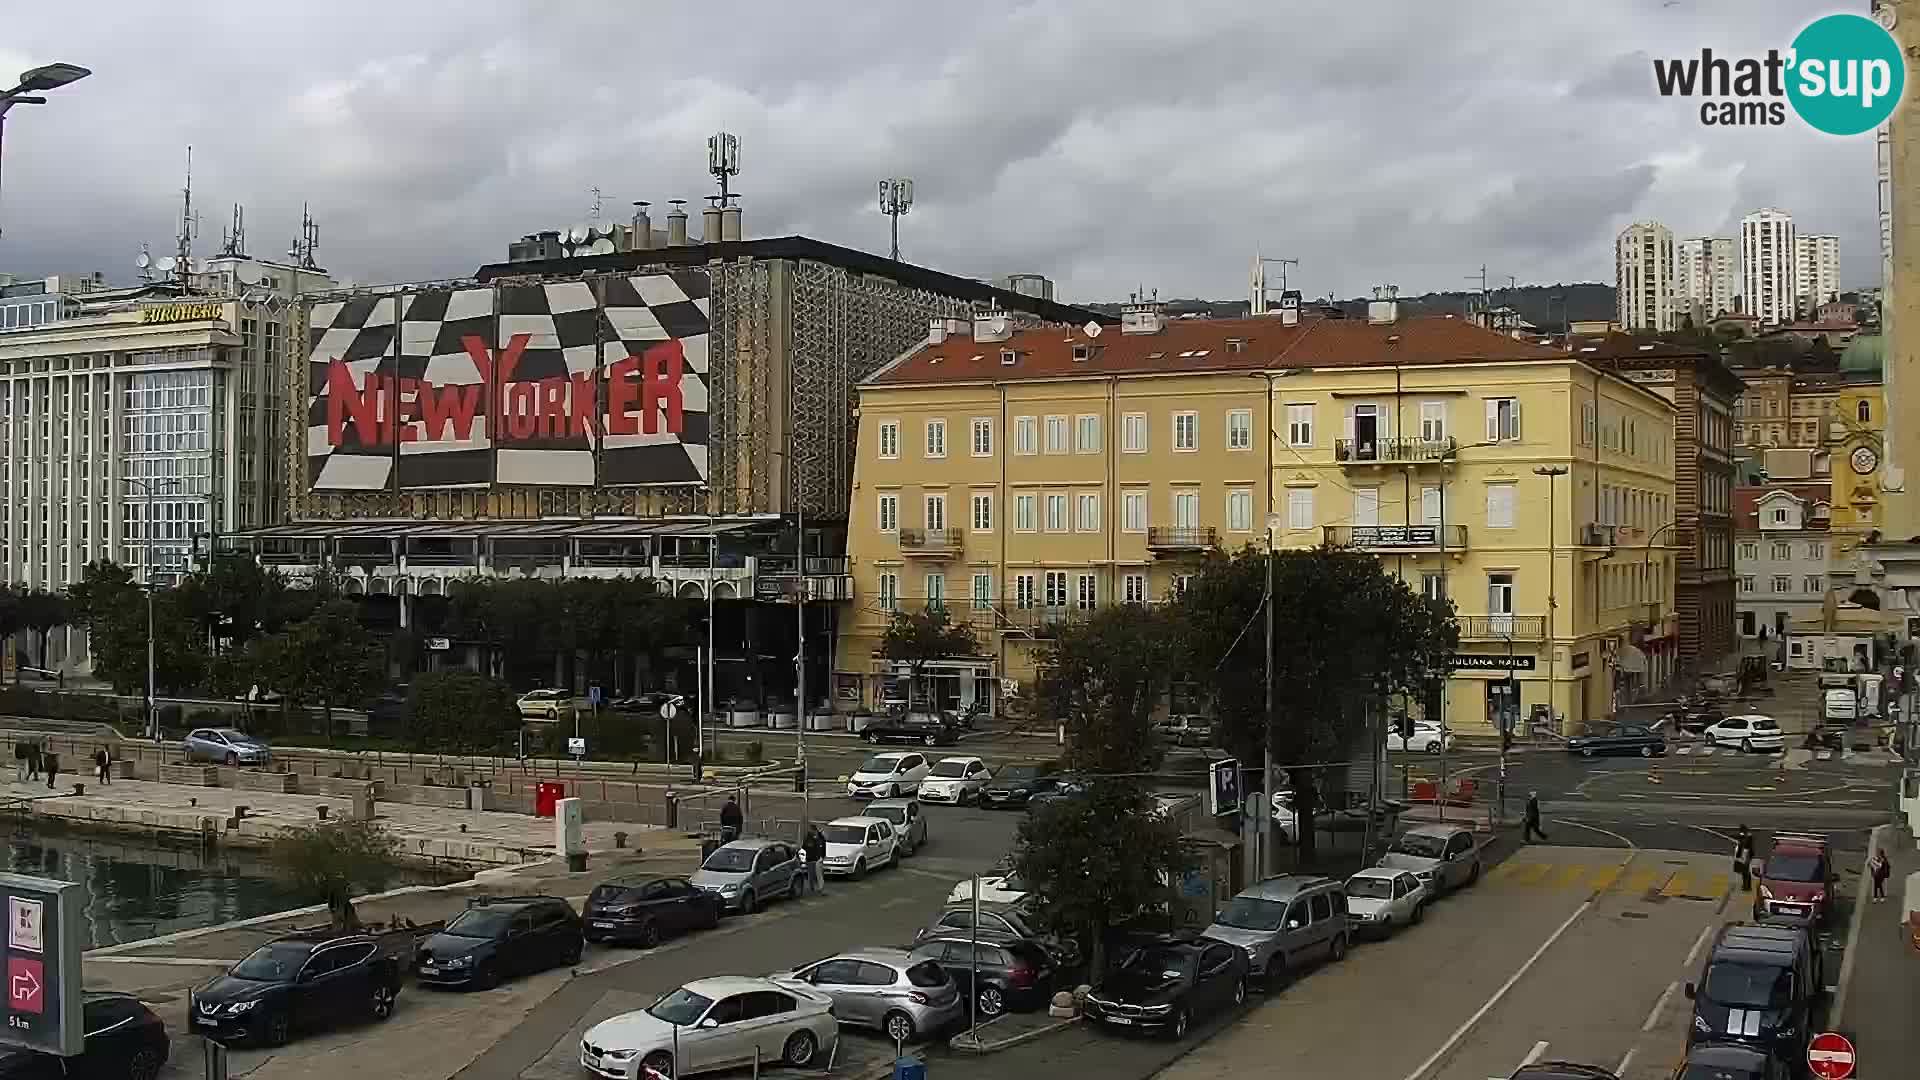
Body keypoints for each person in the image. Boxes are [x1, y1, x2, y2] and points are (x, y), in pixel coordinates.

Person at [804, 823, 827, 895]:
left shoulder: (821, 838)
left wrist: (822, 857)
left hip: (818, 859)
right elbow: (804, 847)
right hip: (810, 859)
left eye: (811, 830)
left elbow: (823, 847)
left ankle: (821, 889)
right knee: (811, 876)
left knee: (819, 875)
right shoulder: (808, 838)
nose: (811, 831)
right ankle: (812, 888)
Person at [1733, 825, 1755, 892]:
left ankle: (1747, 886)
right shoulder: (1746, 836)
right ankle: (1746, 885)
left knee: (1745, 871)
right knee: (1744, 871)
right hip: (1745, 855)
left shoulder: (1747, 837)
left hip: (1745, 855)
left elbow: (1745, 846)